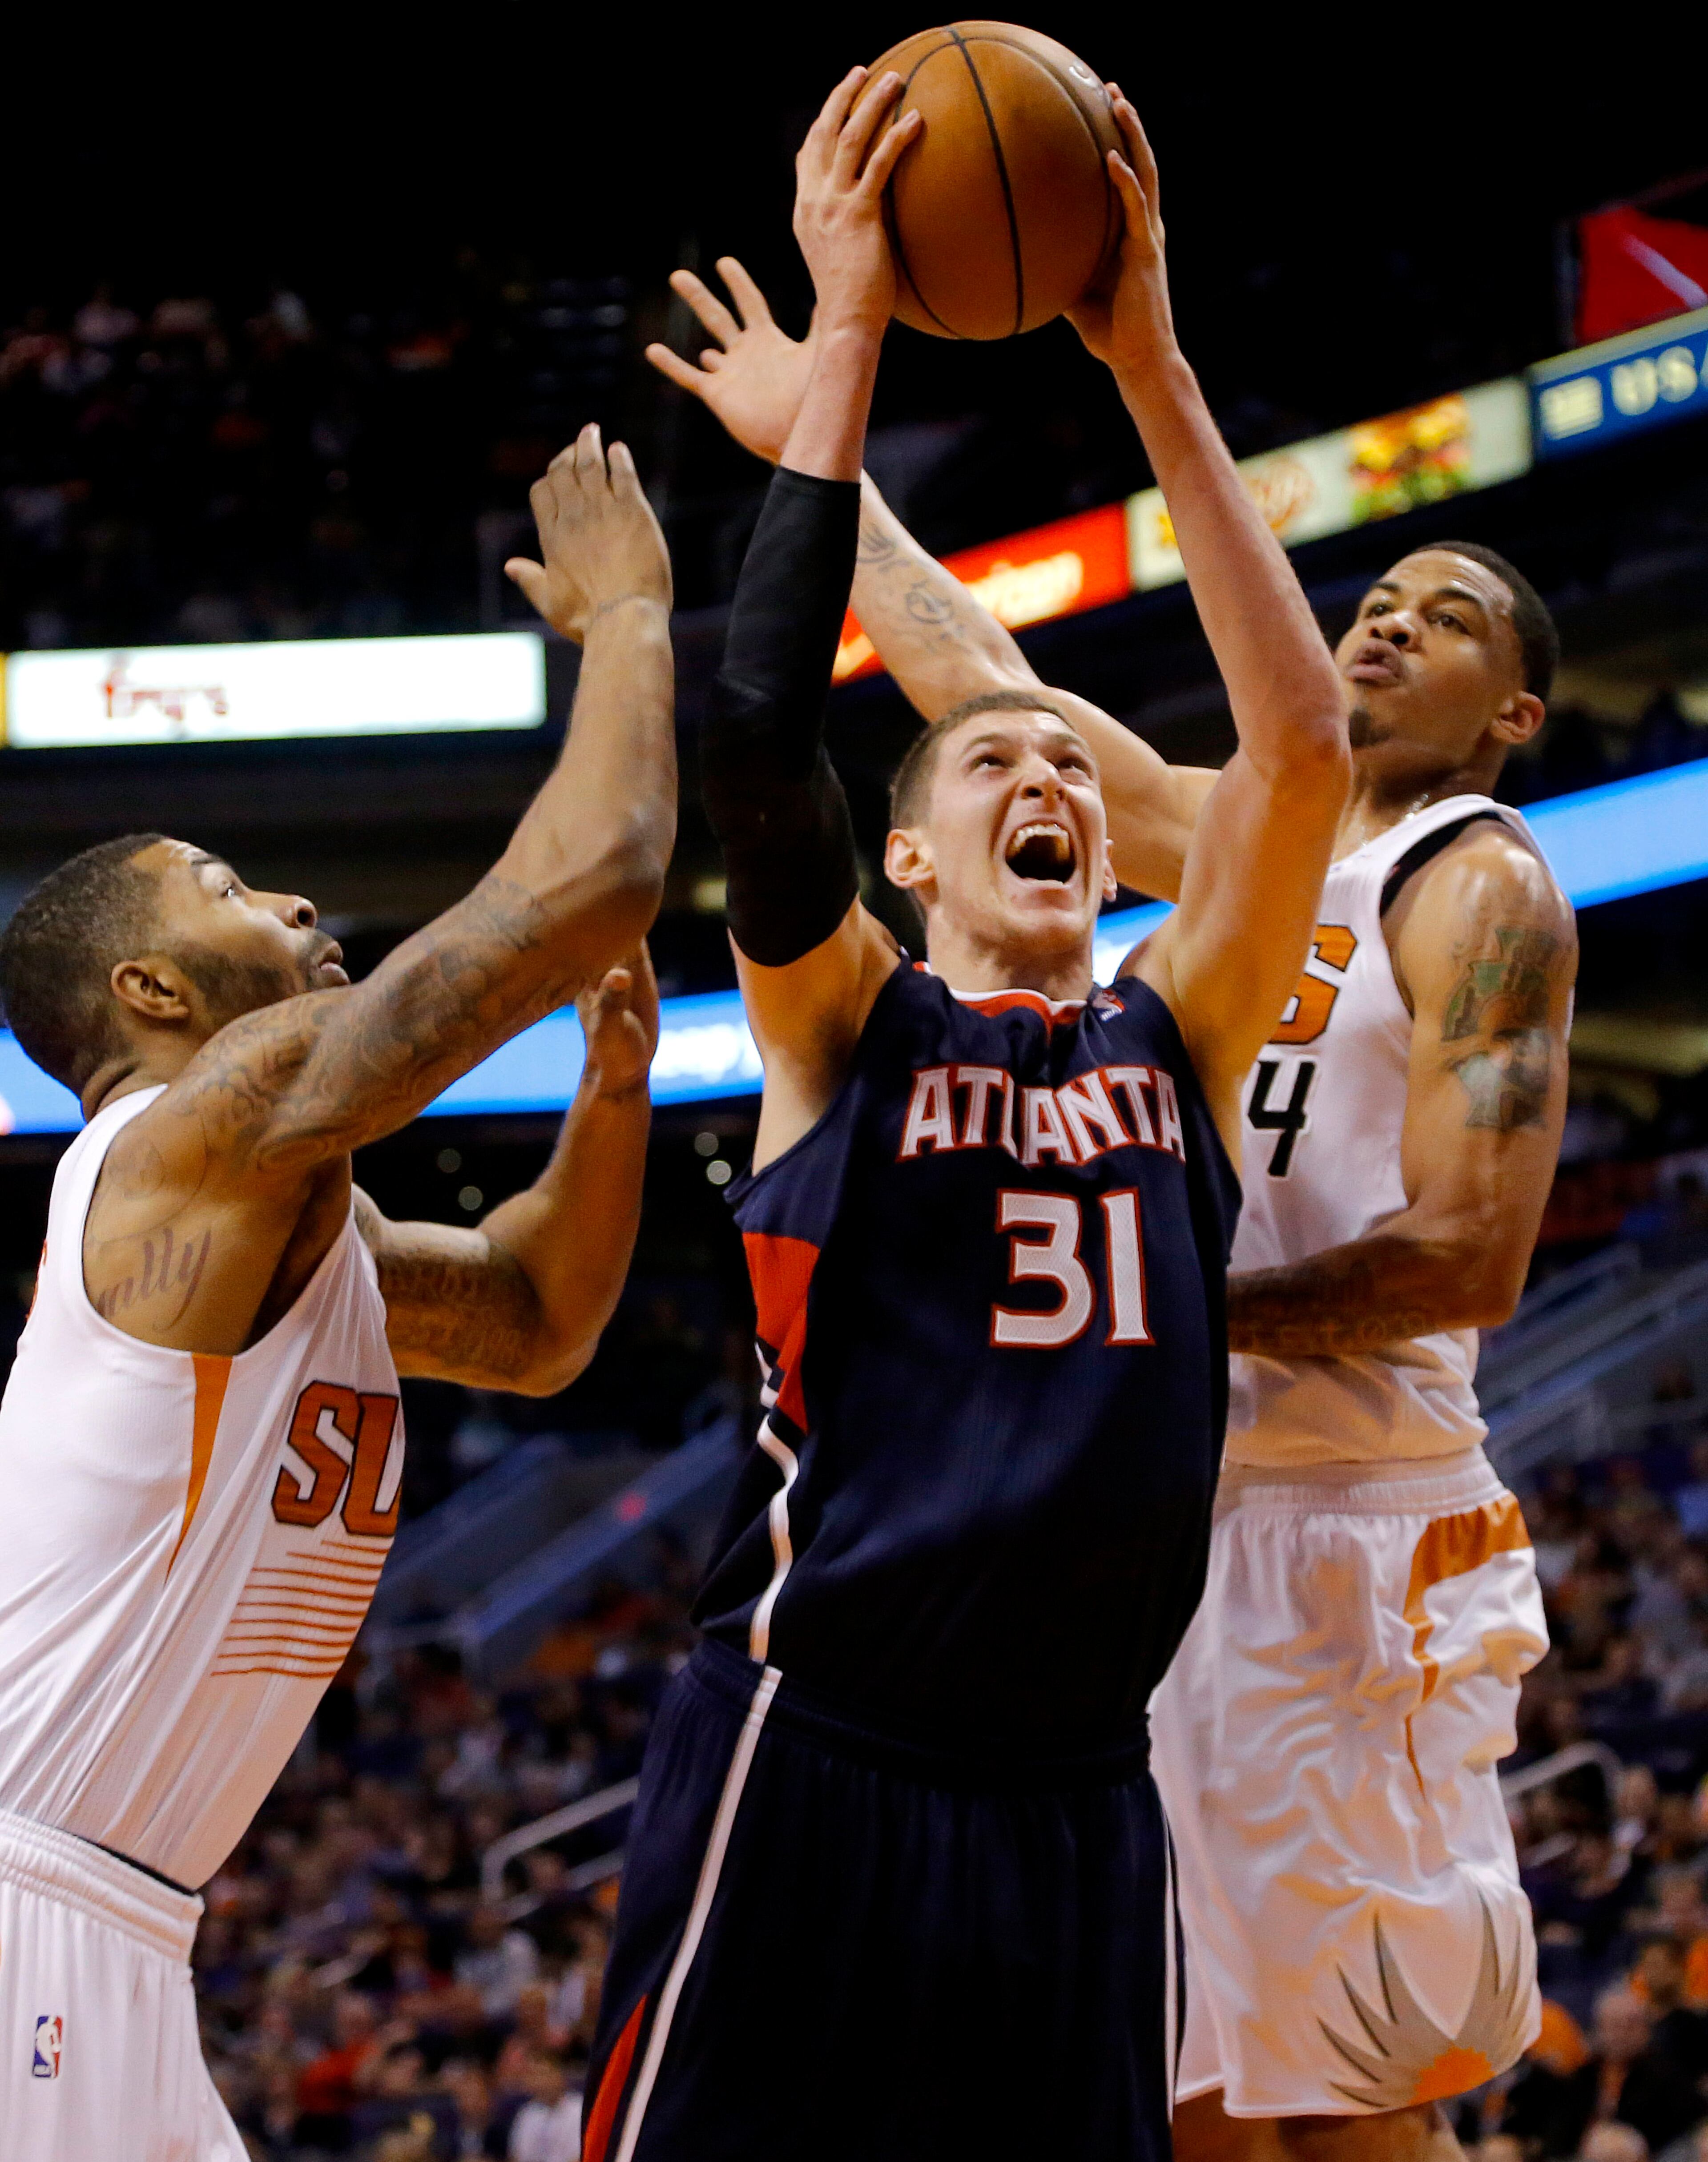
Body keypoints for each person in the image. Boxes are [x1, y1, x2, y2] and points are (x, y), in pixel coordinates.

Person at [656, 164, 1577, 2162]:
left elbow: (1477, 1251)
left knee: (1359, 2095)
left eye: (1445, 622)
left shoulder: (1471, 878)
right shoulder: (1233, 866)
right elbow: (992, 704)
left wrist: (1155, 1318)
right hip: (1149, 1533)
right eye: (1377, 596)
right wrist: (817, 439)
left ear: (1510, 714)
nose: (1386, 618)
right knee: (1186, 2101)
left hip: (1343, 1520)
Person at [587, 68, 1349, 2162]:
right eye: (990, 764)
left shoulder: (1172, 1035)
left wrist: (1154, 360)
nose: (1046, 780)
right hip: (824, 1740)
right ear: (907, 858)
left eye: (1074, 772)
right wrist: (846, 339)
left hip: (1084, 1792)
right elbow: (757, 735)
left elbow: (1299, 756)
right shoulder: (847, 1028)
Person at [0, 425, 677, 2160]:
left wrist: (608, 1097)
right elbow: (583, 873)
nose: (294, 893)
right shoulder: (194, 1136)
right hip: (32, 1895)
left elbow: (540, 1324)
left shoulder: (297, 1232)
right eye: (231, 889)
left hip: (127, 1914)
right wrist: (625, 624)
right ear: (150, 986)